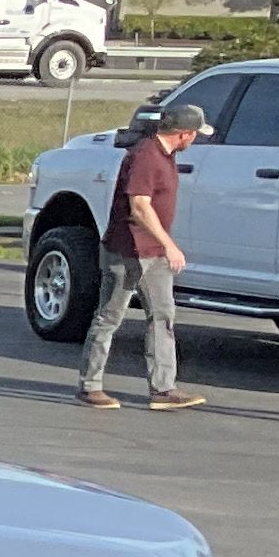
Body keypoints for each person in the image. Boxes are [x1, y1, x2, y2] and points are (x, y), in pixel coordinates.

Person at [80, 99, 207, 412]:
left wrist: (163, 246)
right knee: (109, 316)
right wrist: (169, 244)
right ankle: (90, 386)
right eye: (195, 134)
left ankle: (163, 389)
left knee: (163, 315)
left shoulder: (166, 155)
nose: (195, 139)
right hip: (127, 251)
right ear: (184, 133)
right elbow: (139, 206)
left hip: (154, 253)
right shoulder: (145, 156)